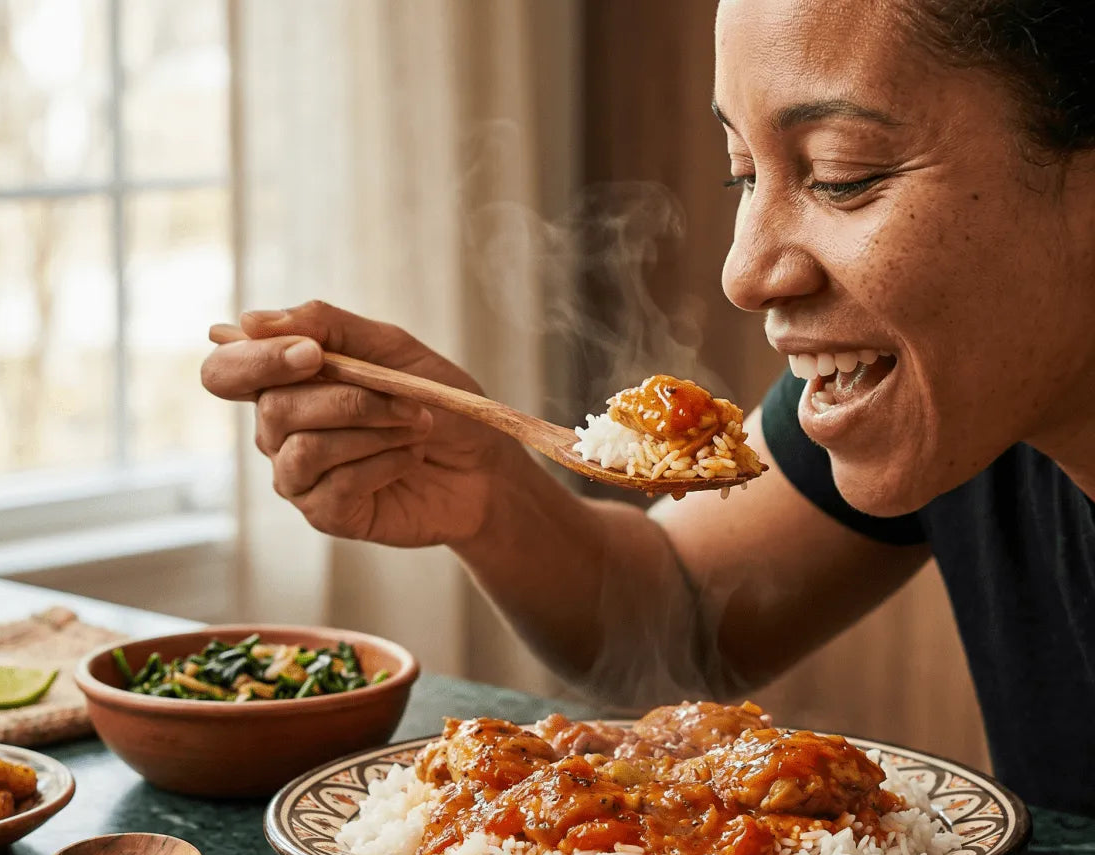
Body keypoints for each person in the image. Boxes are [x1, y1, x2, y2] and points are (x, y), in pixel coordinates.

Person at [201, 0, 1095, 811]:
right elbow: (684, 612)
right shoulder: (953, 386)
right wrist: (488, 491)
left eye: (840, 174)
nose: (745, 274)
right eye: (743, 174)